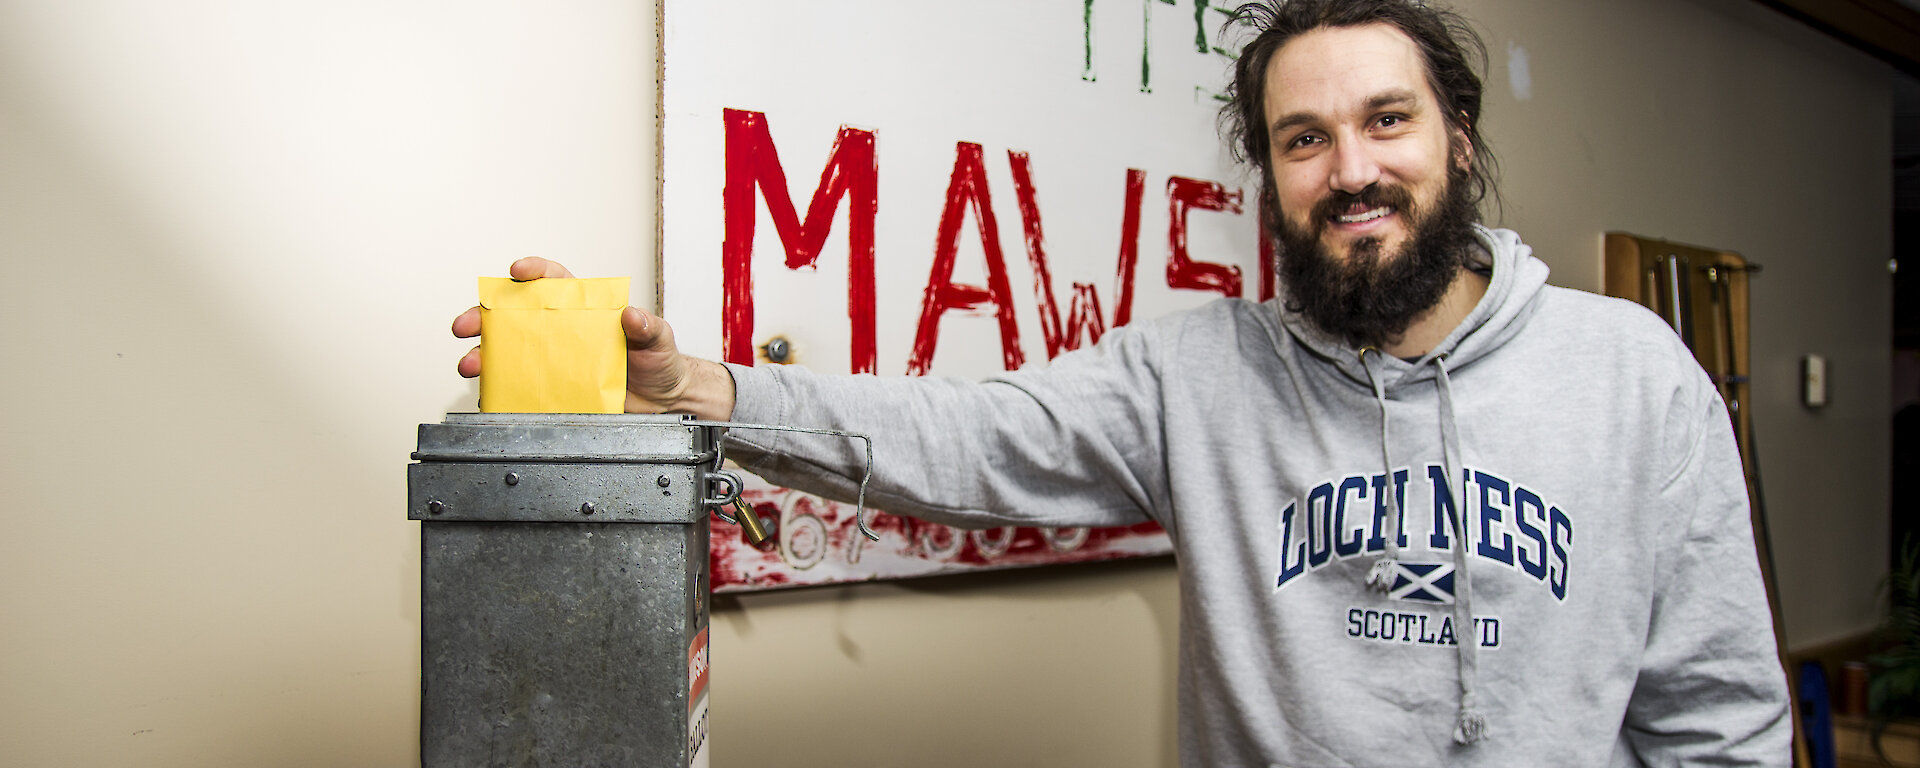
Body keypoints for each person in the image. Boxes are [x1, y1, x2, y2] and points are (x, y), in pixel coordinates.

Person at [452, 0, 1790, 763]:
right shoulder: (1198, 373)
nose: (1353, 170)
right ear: (1272, 177)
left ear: (1459, 136)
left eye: (1388, 120)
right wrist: (699, 389)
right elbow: (967, 439)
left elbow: (1718, 717)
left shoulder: (1635, 377)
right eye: (1305, 139)